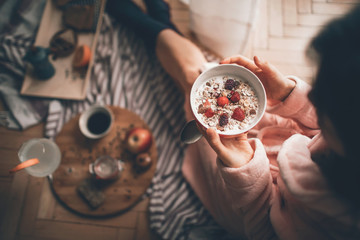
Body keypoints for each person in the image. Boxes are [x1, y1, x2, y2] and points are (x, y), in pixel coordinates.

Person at [107, 1, 360, 239]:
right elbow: (319, 118)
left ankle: (146, 21)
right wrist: (288, 94)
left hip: (247, 191)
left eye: (325, 98)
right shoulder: (348, 131)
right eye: (320, 83)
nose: (313, 94)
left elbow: (264, 230)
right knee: (199, 74)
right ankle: (158, 22)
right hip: (282, 133)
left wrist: (246, 169)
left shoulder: (340, 222)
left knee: (192, 78)